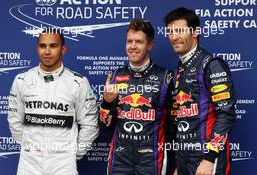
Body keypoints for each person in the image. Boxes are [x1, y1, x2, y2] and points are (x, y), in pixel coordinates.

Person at [8, 29, 99, 175]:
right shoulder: (22, 80)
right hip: (29, 164)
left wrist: (72, 154)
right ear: (37, 48)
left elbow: (90, 125)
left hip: (63, 165)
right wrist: (29, 148)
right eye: (43, 46)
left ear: (63, 49)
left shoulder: (78, 83)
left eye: (53, 46)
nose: (47, 51)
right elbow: (14, 121)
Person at [164, 7, 236, 175]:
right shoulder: (180, 69)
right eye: (170, 32)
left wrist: (210, 157)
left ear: (195, 31)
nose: (174, 37)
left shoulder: (211, 64)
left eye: (180, 30)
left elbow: (226, 114)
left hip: (207, 158)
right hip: (185, 157)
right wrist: (180, 164)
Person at [99, 18, 175, 175]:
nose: (132, 46)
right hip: (120, 158)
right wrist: (106, 103)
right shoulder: (115, 76)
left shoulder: (166, 77)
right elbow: (105, 126)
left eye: (139, 42)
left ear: (150, 45)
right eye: (129, 41)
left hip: (151, 159)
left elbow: (176, 126)